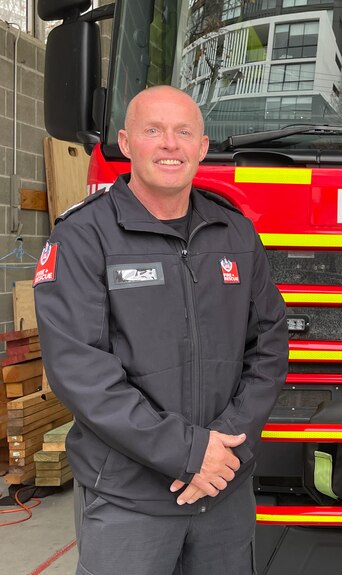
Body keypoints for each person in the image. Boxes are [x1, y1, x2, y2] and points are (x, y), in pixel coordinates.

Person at [34, 85, 289, 575]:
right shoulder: (84, 236)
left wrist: (222, 448)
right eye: (154, 131)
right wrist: (190, 452)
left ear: (202, 147)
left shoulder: (235, 233)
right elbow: (81, 372)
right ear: (127, 144)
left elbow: (269, 347)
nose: (170, 144)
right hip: (129, 500)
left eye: (183, 133)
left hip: (222, 494)